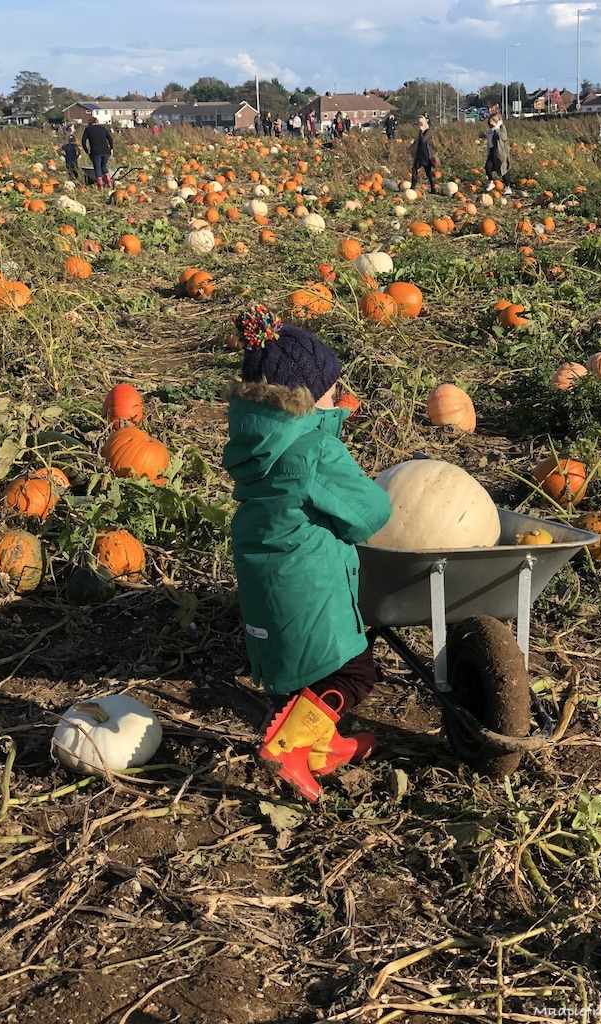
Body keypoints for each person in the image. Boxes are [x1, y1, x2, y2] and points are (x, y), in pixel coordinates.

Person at [223, 305, 392, 803]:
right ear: (306, 398)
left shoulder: (256, 444)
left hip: (268, 588)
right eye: (331, 388)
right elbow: (369, 515)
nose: (338, 395)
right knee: (354, 671)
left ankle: (323, 749)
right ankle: (287, 746)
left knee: (306, 678)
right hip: (310, 590)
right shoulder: (315, 449)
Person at [82, 117, 114, 190]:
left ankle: (100, 186)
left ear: (89, 123)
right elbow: (110, 139)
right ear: (97, 122)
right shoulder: (102, 128)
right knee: (104, 166)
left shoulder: (88, 130)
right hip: (106, 151)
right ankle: (109, 182)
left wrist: (87, 151)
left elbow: (83, 141)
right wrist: (111, 149)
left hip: (95, 152)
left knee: (97, 168)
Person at [409, 115, 438, 193]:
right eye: (419, 123)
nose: (420, 125)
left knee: (428, 172)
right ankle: (412, 187)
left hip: (426, 155)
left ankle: (433, 188)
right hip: (419, 154)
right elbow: (418, 142)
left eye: (421, 123)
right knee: (414, 170)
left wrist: (421, 131)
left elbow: (423, 140)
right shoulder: (420, 132)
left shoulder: (428, 131)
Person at [485, 111, 512, 195]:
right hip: (492, 152)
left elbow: (503, 137)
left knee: (503, 172)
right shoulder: (490, 131)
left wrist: (496, 127)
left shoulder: (501, 128)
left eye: (492, 122)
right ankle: (491, 182)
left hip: (501, 153)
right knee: (487, 167)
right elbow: (489, 142)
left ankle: (508, 187)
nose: (490, 124)